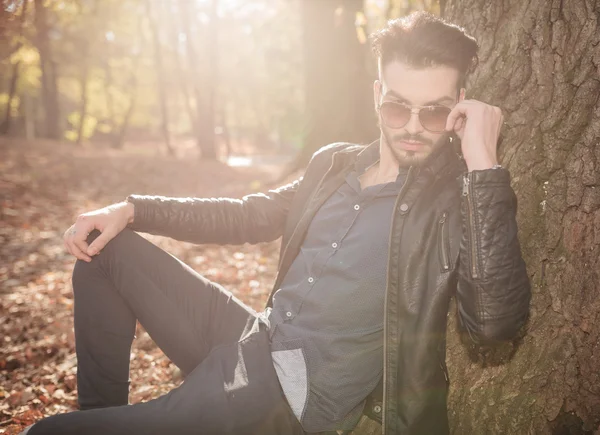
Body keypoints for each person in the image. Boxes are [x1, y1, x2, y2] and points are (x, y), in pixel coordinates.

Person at [25, 11, 531, 435]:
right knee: (103, 248)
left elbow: (493, 327)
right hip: (250, 338)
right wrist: (132, 209)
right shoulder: (337, 164)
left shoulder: (454, 198)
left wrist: (484, 162)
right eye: (398, 107)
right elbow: (248, 214)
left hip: (285, 397)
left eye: (437, 113)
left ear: (461, 104)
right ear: (377, 93)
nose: (416, 127)